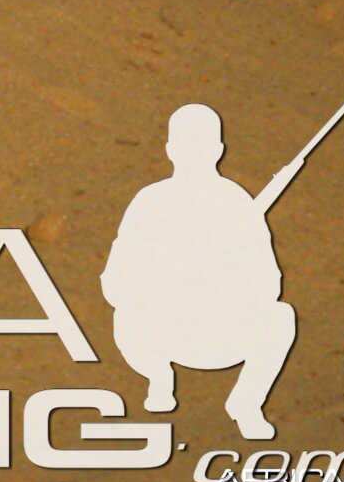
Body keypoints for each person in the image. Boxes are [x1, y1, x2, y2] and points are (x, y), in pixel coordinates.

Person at [104, 99, 303, 440]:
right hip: (161, 332)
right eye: (187, 143)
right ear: (170, 149)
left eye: (201, 143)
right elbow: (114, 281)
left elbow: (269, 283)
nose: (194, 152)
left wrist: (222, 277)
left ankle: (246, 402)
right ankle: (159, 377)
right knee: (126, 315)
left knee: (280, 317)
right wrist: (165, 281)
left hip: (220, 332)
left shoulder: (236, 203)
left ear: (218, 150)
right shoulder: (150, 202)